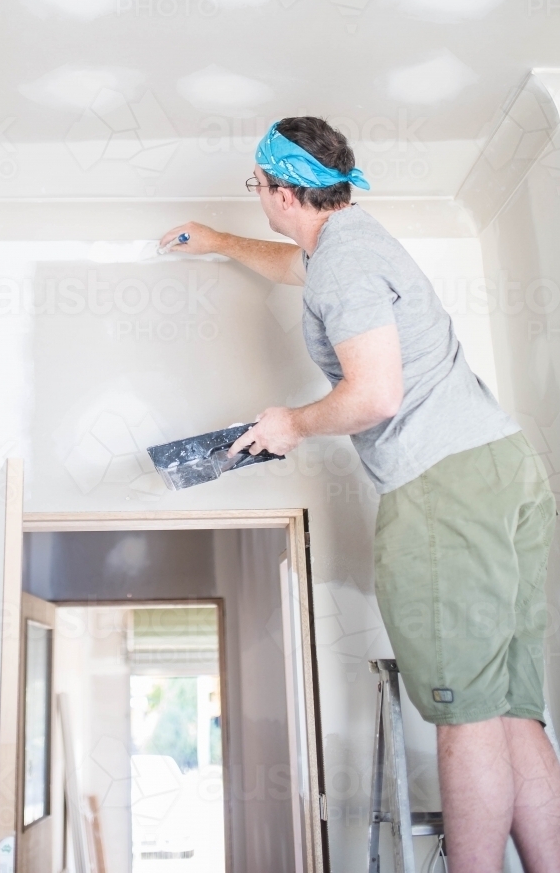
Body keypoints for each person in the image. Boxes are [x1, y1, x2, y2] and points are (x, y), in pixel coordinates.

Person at [160, 116, 560, 872]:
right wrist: (219, 241)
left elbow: (374, 397)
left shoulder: (341, 268)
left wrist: (293, 424)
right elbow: (297, 266)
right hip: (503, 468)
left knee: (463, 717)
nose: (258, 198)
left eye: (257, 186)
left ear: (281, 192)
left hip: (444, 489)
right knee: (511, 709)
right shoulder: (354, 238)